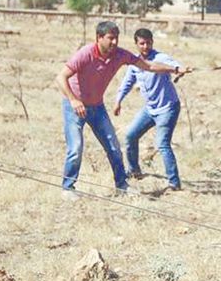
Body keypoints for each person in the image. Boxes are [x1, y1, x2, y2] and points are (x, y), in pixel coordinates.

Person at [55, 21, 190, 200]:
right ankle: (68, 188)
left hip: (97, 106)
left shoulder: (120, 55)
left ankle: (122, 185)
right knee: (76, 147)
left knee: (114, 147)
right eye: (110, 38)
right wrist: (73, 100)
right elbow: (61, 77)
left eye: (116, 38)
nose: (114, 42)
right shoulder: (86, 53)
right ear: (99, 38)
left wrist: (175, 69)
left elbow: (148, 66)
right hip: (75, 106)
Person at [113, 28, 191, 191]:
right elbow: (127, 83)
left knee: (162, 144)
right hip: (150, 109)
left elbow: (173, 65)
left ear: (152, 42)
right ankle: (134, 170)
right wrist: (118, 101)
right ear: (136, 44)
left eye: (148, 42)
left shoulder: (160, 58)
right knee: (130, 136)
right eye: (142, 43)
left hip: (167, 108)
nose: (145, 46)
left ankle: (174, 183)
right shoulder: (134, 63)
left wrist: (179, 69)